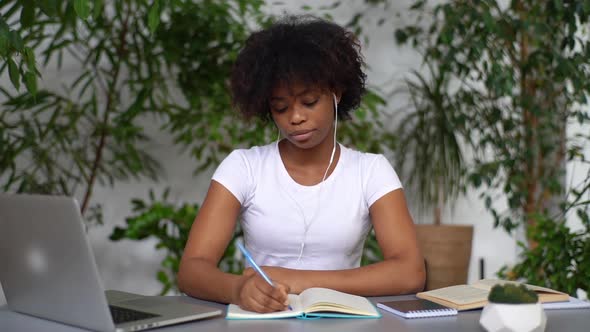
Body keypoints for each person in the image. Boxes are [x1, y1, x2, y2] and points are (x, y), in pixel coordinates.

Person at [177, 15, 425, 313]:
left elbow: (410, 272)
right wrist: (239, 289)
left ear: (336, 92)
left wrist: (295, 280)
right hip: (264, 321)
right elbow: (191, 270)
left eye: (308, 102)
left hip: (340, 322)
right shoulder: (244, 167)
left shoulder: (370, 172)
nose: (295, 117)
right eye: (280, 107)